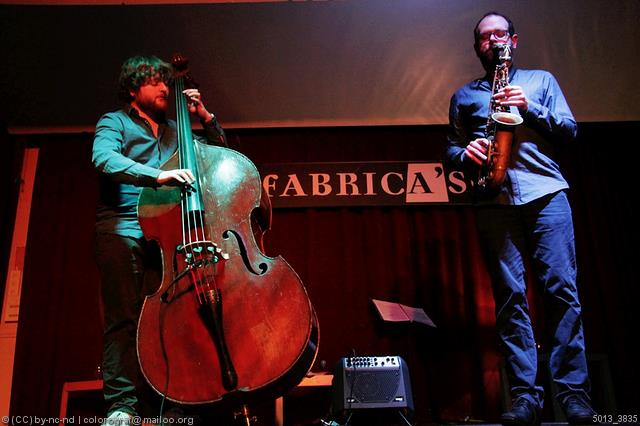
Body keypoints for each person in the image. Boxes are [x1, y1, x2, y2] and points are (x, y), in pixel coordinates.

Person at [445, 12, 597, 426]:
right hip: (493, 200)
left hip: (546, 194)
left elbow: (569, 131)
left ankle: (573, 398)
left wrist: (529, 108)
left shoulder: (542, 81)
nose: (492, 40)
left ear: (513, 40)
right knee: (510, 300)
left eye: (499, 34)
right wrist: (466, 153)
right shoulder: (463, 97)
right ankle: (527, 398)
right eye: (484, 37)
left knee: (562, 293)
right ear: (477, 47)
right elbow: (451, 151)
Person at [92, 55, 227, 423]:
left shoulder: (176, 132)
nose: (165, 88)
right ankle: (122, 407)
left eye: (167, 82)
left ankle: (169, 401)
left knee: (168, 318)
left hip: (167, 235)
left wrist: (205, 118)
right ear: (133, 89)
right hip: (123, 229)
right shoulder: (115, 122)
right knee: (124, 318)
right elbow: (103, 159)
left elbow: (220, 158)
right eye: (155, 82)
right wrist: (157, 176)